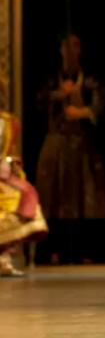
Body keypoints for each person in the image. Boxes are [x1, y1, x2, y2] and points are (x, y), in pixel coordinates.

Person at [35, 34, 105, 263]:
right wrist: (59, 95)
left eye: (75, 45)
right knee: (53, 196)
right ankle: (53, 249)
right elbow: (39, 100)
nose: (70, 50)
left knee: (82, 198)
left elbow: (99, 106)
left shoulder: (90, 81)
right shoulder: (51, 80)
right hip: (56, 143)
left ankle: (82, 249)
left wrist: (82, 110)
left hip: (81, 145)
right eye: (66, 45)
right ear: (60, 49)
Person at [0, 108, 48, 276]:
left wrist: (8, 163)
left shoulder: (6, 121)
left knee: (22, 194)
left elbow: (8, 152)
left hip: (2, 175)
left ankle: (3, 259)